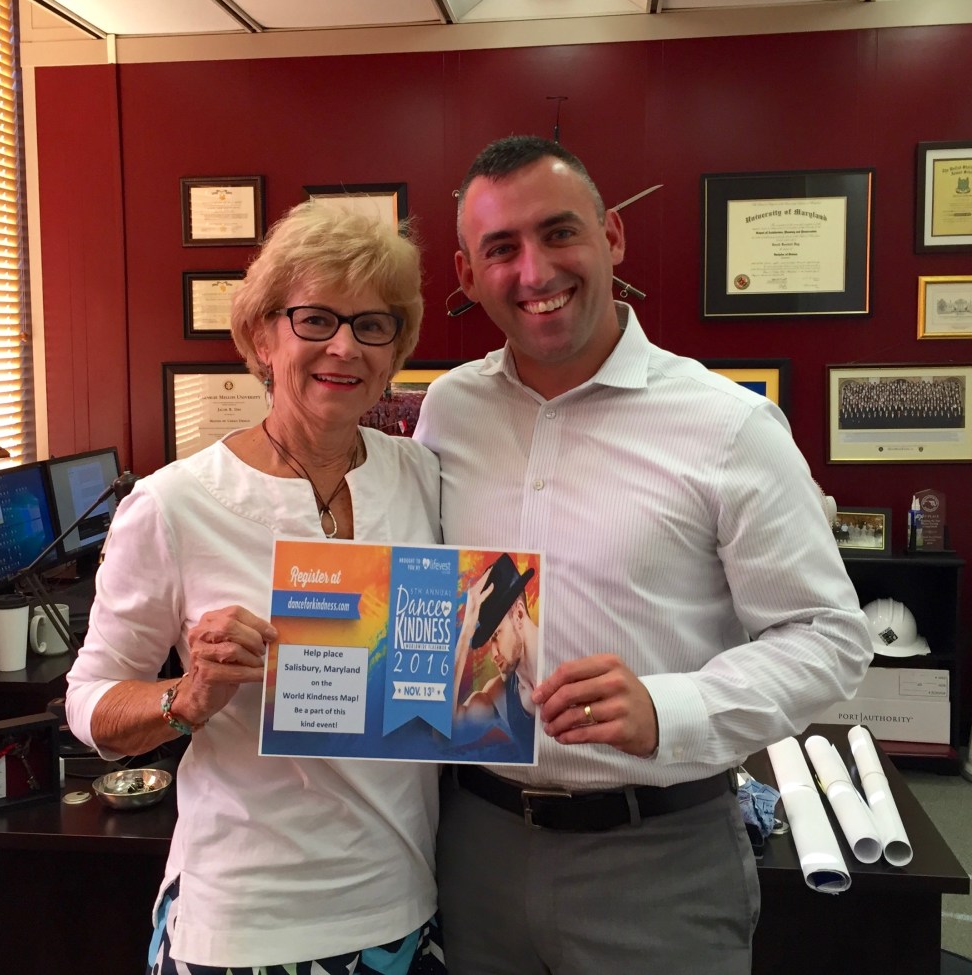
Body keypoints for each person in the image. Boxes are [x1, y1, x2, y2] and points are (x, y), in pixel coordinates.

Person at [414, 135, 873, 975]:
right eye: (501, 248)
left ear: (612, 236)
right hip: (474, 845)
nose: (534, 271)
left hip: (659, 855)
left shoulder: (728, 425)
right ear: (467, 274)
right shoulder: (449, 410)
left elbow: (830, 636)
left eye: (559, 232)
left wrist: (672, 707)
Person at [66, 200, 446, 975]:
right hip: (247, 924)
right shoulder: (175, 503)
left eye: (373, 324)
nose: (345, 345)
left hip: (402, 905)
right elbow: (90, 705)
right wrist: (188, 696)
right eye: (316, 318)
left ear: (395, 349)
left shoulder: (423, 476)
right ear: (262, 336)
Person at [452, 552, 538, 756]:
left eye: (496, 635)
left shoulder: (563, 653)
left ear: (519, 614)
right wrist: (465, 634)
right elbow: (446, 733)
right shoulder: (499, 697)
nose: (494, 654)